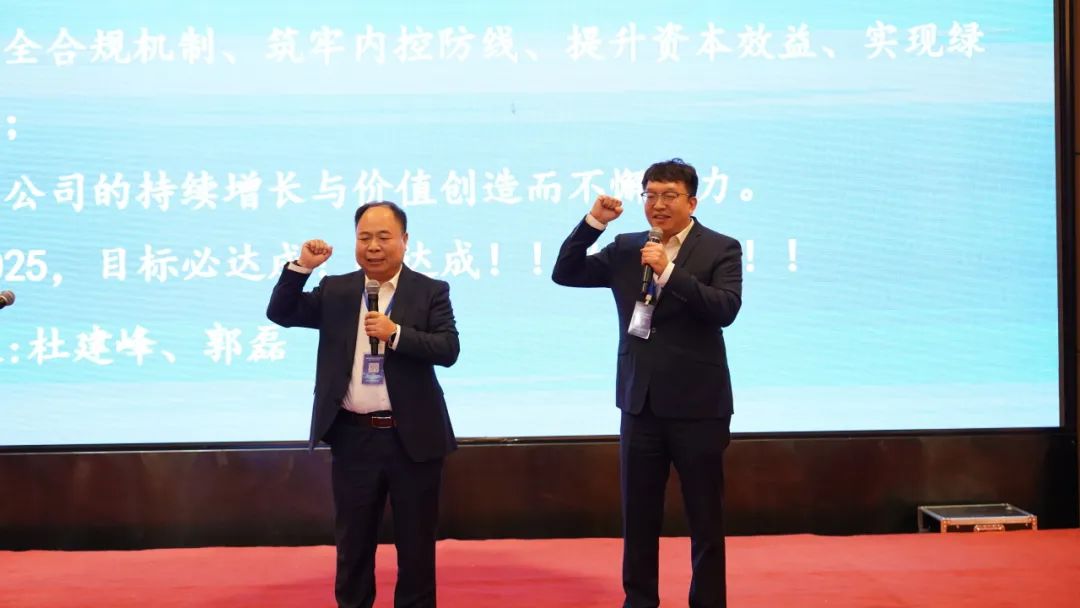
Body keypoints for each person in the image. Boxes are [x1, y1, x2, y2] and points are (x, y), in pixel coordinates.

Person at [551, 158, 742, 608]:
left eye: (669, 195)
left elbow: (725, 309)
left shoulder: (721, 248)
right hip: (640, 404)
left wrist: (669, 273)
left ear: (692, 202)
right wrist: (594, 222)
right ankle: (639, 601)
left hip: (699, 407)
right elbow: (565, 272)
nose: (658, 204)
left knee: (705, 519)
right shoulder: (626, 247)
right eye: (650, 195)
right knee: (638, 518)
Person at [267, 201, 459, 608]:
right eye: (364, 237)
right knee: (353, 545)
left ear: (404, 241)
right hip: (354, 437)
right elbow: (281, 312)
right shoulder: (337, 290)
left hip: (413, 441)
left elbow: (448, 348)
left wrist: (395, 333)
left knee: (416, 547)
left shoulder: (430, 290)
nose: (373, 246)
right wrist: (302, 267)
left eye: (383, 237)